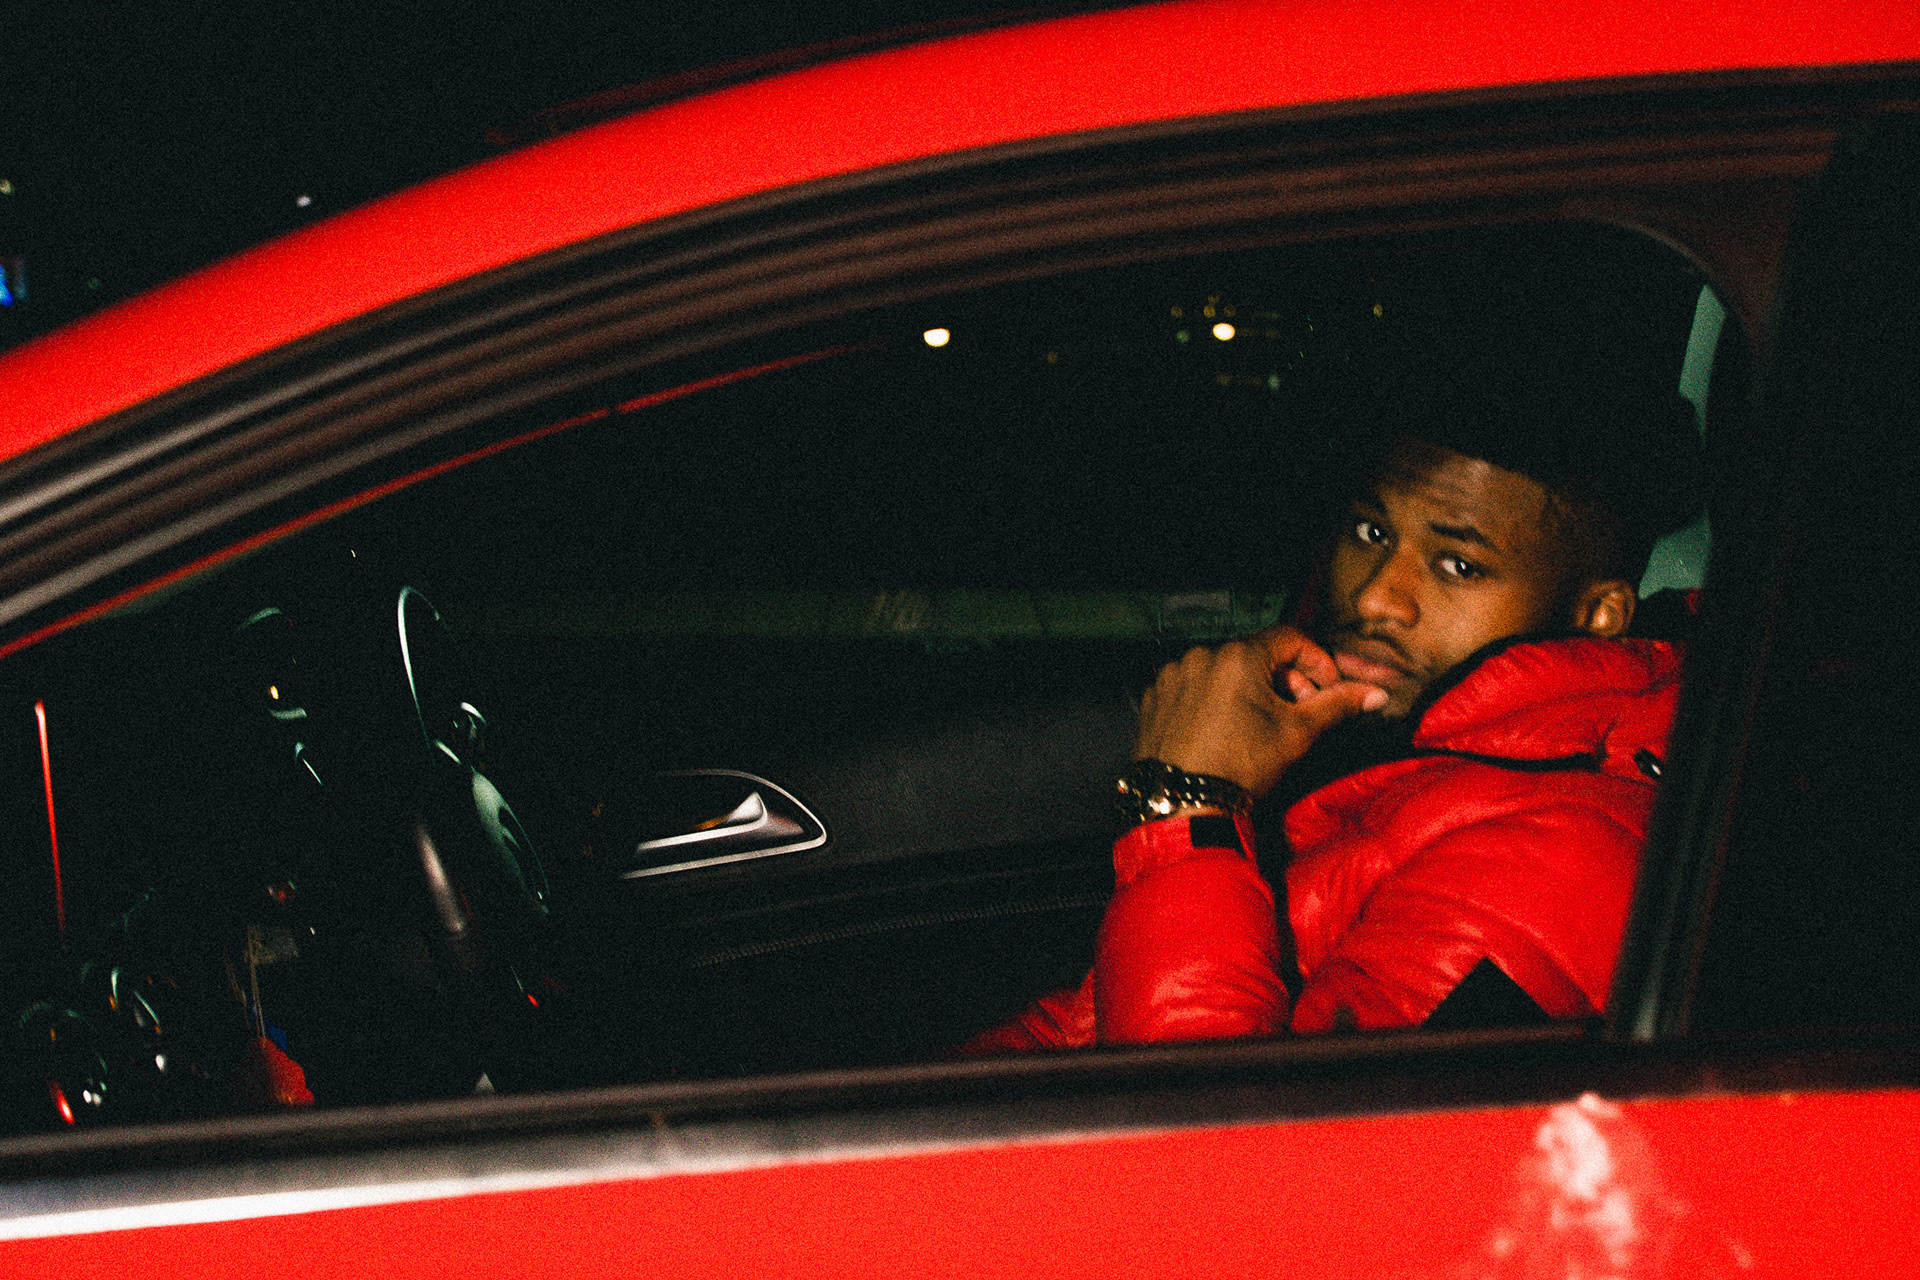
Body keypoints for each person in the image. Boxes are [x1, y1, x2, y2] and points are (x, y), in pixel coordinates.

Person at [965, 374, 1702, 1050]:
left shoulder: (1563, 862)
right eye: (1372, 533)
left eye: (1458, 566)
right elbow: (1082, 1027)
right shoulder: (1414, 756)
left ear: (1595, 616)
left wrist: (1188, 804)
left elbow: (1232, 1138)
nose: (1377, 596)